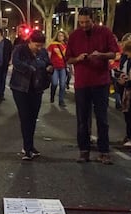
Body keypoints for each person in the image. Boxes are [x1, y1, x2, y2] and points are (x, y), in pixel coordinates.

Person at [66, 7, 119, 164]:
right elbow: (68, 59)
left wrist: (101, 55)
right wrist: (78, 58)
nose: (83, 25)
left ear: (93, 19)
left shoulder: (105, 32)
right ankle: (84, 150)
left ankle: (104, 151)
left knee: (102, 118)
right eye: (81, 22)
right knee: (82, 118)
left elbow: (114, 53)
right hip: (82, 83)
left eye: (86, 22)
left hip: (100, 82)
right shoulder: (74, 36)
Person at [9, 30, 53, 160]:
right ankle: (27, 148)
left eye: (41, 45)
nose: (39, 48)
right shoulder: (19, 50)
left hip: (37, 88)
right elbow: (17, 64)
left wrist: (50, 68)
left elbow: (48, 63)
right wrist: (33, 67)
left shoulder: (43, 52)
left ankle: (30, 145)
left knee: (33, 118)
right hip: (20, 87)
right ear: (30, 42)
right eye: (36, 45)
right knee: (25, 117)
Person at [47, 30, 69, 107]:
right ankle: (52, 95)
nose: (60, 37)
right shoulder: (52, 45)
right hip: (54, 67)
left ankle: (61, 101)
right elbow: (48, 56)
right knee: (54, 83)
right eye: (59, 35)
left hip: (63, 67)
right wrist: (48, 64)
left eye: (62, 36)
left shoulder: (66, 46)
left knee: (63, 85)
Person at [116, 40, 131, 146]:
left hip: (129, 87)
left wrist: (127, 79)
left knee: (129, 113)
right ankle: (128, 136)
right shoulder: (127, 59)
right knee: (127, 113)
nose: (126, 54)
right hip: (126, 88)